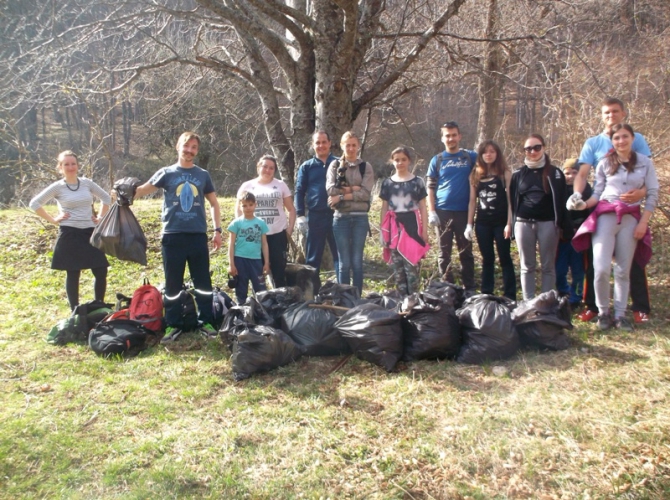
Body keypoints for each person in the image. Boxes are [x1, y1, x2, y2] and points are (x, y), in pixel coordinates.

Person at [569, 97, 653, 324]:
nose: (610, 116)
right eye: (606, 112)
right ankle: (595, 308)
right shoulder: (594, 143)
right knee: (597, 262)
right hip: (601, 206)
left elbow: (648, 177)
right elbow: (583, 174)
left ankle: (637, 308)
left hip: (631, 210)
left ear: (623, 113)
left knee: (631, 263)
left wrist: (641, 194)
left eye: (615, 111)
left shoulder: (636, 139)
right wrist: (578, 196)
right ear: (601, 115)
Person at [133, 131, 222, 342]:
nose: (189, 150)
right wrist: (123, 192)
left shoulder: (203, 175)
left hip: (197, 236)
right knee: (172, 284)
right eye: (186, 146)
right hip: (172, 236)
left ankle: (206, 321)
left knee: (203, 282)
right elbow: (143, 190)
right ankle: (172, 324)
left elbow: (214, 204)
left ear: (197, 151)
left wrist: (217, 230)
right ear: (178, 146)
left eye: (193, 147)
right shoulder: (166, 172)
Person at [30, 150, 111, 310]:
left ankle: (99, 306)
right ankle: (75, 310)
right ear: (60, 167)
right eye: (66, 164)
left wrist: (101, 217)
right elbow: (35, 203)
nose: (70, 167)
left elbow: (106, 198)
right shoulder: (58, 187)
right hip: (70, 233)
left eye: (73, 163)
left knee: (100, 270)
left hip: (90, 232)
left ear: (77, 165)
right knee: (73, 273)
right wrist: (53, 220)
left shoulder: (87, 183)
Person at [509, 134, 569, 301]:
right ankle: (528, 303)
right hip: (523, 223)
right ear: (524, 151)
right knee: (527, 266)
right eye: (528, 149)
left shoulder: (555, 173)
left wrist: (563, 225)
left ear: (543, 147)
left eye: (537, 147)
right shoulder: (518, 174)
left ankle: (546, 302)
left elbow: (562, 200)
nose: (533, 151)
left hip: (548, 224)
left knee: (548, 266)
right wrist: (511, 224)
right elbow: (512, 202)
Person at [426, 122, 477, 293]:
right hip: (442, 212)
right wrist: (431, 211)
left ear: (459, 136)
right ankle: (448, 289)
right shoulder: (437, 160)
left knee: (466, 252)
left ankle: (469, 288)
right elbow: (430, 187)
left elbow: (486, 171)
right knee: (444, 253)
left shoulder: (470, 157)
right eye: (447, 135)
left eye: (454, 135)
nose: (451, 138)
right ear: (442, 138)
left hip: (464, 212)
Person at [465, 140, 516, 300]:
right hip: (483, 223)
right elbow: (472, 201)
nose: (489, 154)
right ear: (480, 155)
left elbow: (510, 200)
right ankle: (487, 293)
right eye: (485, 152)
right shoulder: (475, 174)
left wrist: (509, 223)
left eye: (492, 151)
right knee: (487, 258)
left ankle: (510, 295)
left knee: (505, 258)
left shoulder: (505, 173)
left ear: (497, 154)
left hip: (501, 223)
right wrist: (469, 224)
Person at [325, 131, 374, 295]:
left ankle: (357, 297)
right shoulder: (334, 166)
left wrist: (343, 195)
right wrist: (355, 190)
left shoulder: (365, 167)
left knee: (357, 261)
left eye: (354, 145)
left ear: (358, 146)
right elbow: (330, 189)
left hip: (360, 219)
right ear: (341, 146)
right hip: (341, 219)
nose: (351, 148)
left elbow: (366, 194)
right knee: (344, 262)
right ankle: (344, 298)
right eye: (348, 145)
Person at [237, 155, 296, 287]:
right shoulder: (247, 186)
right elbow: (239, 211)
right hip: (254, 236)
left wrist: (290, 229)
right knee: (256, 273)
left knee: (278, 272)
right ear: (258, 167)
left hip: (277, 235)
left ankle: (280, 300)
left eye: (271, 168)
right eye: (265, 166)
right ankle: (260, 301)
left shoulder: (280, 185)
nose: (267, 170)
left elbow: (291, 209)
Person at [380, 147, 430, 295]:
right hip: (394, 228)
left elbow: (423, 208)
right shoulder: (387, 183)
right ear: (392, 161)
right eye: (397, 160)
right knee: (398, 271)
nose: (400, 163)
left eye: (403, 159)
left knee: (412, 269)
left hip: (412, 228)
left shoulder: (417, 182)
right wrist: (383, 233)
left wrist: (424, 231)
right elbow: (384, 208)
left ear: (409, 161)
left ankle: (414, 303)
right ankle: (402, 303)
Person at [294, 131, 339, 277]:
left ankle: (344, 291)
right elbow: (299, 191)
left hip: (338, 215)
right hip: (315, 217)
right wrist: (300, 215)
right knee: (312, 259)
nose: (321, 145)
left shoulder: (340, 163)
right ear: (313, 145)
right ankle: (312, 293)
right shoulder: (307, 167)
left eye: (324, 142)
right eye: (317, 143)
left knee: (340, 256)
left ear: (329, 143)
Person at [555, 158, 592, 310]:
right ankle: (563, 292)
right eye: (567, 173)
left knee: (578, 270)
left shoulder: (587, 190)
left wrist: (582, 229)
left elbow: (590, 214)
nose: (570, 176)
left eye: (574, 173)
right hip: (562, 238)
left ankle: (576, 296)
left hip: (579, 238)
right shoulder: (559, 190)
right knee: (559, 269)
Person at [227, 191, 270, 304]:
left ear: (255, 205)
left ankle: (263, 313)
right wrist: (231, 264)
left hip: (256, 260)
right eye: (244, 205)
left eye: (250, 205)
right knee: (241, 289)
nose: (248, 208)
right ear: (240, 206)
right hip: (240, 259)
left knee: (260, 289)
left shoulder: (261, 223)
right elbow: (231, 244)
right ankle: (242, 314)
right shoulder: (236, 223)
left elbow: (264, 244)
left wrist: (266, 262)